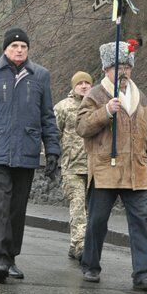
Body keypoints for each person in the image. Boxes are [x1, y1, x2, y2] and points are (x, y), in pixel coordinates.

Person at [0, 28, 60, 283]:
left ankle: (12, 257)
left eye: (23, 47)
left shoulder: (40, 76)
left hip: (26, 150)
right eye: (14, 46)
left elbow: (47, 117)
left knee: (18, 208)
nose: (19, 50)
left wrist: (52, 150)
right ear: (6, 49)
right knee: (1, 205)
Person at [76, 41, 147, 291]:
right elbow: (82, 127)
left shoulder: (142, 98)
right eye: (118, 66)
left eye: (127, 66)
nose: (124, 71)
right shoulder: (95, 95)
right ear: (106, 68)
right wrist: (105, 111)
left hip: (137, 172)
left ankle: (143, 274)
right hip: (105, 171)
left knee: (139, 224)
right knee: (97, 221)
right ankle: (91, 266)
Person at [54, 71, 93, 261]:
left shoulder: (99, 105)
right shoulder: (63, 107)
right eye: (80, 83)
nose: (84, 86)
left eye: (87, 83)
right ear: (74, 86)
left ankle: (75, 244)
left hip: (95, 168)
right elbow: (54, 132)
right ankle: (80, 246)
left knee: (90, 209)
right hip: (72, 168)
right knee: (78, 207)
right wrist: (53, 157)